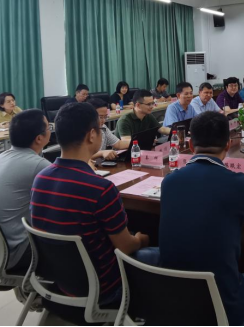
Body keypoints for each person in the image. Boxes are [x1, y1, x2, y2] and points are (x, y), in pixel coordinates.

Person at [159, 112, 244, 327]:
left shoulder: (169, 181)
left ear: (190, 145)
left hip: (174, 300)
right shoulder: (239, 184)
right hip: (224, 307)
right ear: (228, 144)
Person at [31, 103, 153, 307]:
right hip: (105, 290)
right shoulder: (101, 188)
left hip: (59, 282)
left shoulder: (40, 179)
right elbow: (126, 247)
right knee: (159, 253)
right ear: (92, 135)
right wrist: (141, 240)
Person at [0, 110, 51, 269]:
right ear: (39, 138)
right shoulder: (38, 165)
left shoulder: (1, 157)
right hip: (14, 253)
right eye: (48, 127)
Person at [87, 99, 132, 164]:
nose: (104, 120)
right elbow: (79, 156)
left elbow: (118, 144)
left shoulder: (103, 128)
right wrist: (101, 153)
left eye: (105, 117)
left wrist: (137, 142)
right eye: (100, 117)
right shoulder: (81, 131)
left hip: (99, 166)